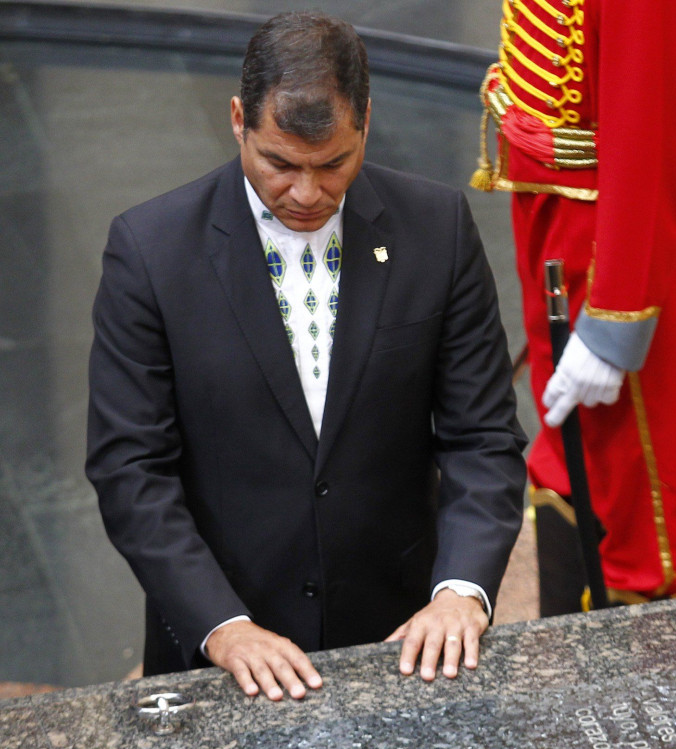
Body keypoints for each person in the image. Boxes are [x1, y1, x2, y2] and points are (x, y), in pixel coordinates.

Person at [86, 11, 527, 700]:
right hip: (224, 657)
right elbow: (130, 469)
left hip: (402, 646)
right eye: (279, 163)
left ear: (367, 124)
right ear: (238, 120)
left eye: (333, 164)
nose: (306, 192)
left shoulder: (436, 230)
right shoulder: (150, 252)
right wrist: (223, 625)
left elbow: (483, 437)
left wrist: (461, 592)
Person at [471, 0, 676, 614]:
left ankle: (642, 665)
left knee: (633, 486)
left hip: (609, 239)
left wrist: (613, 319)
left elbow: (649, 135)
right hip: (549, 207)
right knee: (566, 451)